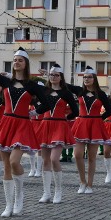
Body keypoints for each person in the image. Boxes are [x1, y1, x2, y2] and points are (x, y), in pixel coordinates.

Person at [0, 47, 49, 217]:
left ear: (25, 64)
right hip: (6, 123)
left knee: (14, 161)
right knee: (6, 166)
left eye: (20, 60)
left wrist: (34, 112)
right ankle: (8, 204)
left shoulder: (32, 85)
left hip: (22, 125)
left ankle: (19, 196)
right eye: (15, 59)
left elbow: (47, 102)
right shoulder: (6, 82)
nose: (17, 62)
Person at [65, 66, 111, 194]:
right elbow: (64, 84)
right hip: (81, 124)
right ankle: (82, 182)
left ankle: (90, 185)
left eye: (89, 77)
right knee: (78, 155)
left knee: (92, 157)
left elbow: (110, 110)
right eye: (84, 77)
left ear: (94, 78)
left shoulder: (101, 94)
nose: (86, 79)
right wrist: (49, 74)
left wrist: (99, 119)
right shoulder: (79, 91)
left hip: (95, 126)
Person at [36, 64, 79, 203]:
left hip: (59, 126)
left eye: (56, 75)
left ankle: (58, 191)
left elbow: (75, 111)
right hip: (46, 124)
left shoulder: (65, 93)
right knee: (45, 160)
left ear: (61, 77)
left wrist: (65, 118)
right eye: (51, 75)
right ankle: (46, 192)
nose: (53, 77)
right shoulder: (45, 91)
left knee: (55, 159)